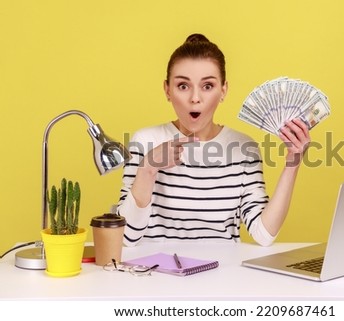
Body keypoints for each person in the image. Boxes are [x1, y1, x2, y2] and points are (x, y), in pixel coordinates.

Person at [117, 33, 310, 247]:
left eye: (207, 86)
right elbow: (127, 237)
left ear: (223, 90)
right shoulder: (145, 141)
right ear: (167, 90)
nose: (195, 98)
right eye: (183, 86)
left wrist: (293, 162)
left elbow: (263, 235)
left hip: (220, 276)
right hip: (157, 274)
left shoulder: (244, 148)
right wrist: (148, 168)